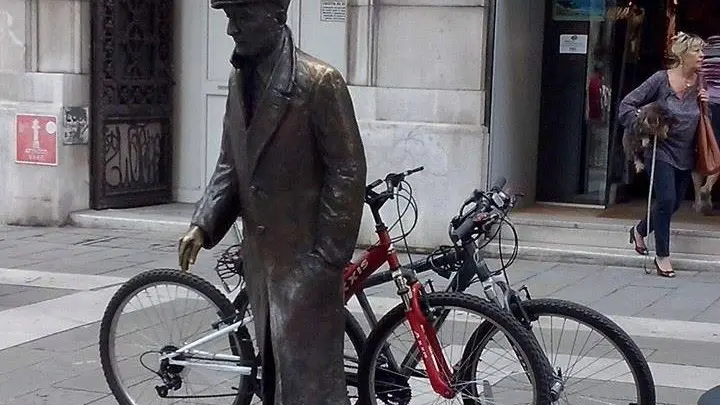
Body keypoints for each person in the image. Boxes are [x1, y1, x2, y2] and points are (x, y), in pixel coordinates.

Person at [177, 1, 368, 404]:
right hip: (263, 261)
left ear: (277, 17)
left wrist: (327, 257)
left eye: (242, 17)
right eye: (229, 17)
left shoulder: (319, 82)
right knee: (278, 376)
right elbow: (232, 162)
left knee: (312, 381)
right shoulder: (238, 80)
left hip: (307, 263)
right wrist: (204, 222)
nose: (231, 29)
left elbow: (347, 170)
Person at [620, 32, 709, 277]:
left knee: (673, 203)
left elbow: (705, 122)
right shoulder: (661, 79)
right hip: (660, 150)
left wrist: (706, 104)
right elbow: (626, 106)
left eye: (703, 51)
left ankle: (639, 230)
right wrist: (646, 125)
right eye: (697, 51)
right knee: (667, 199)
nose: (702, 56)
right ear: (683, 55)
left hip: (686, 153)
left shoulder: (701, 83)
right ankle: (662, 256)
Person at [692, 34, 720, 214]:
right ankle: (708, 186)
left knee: (700, 149)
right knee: (718, 152)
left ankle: (697, 199)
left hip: (705, 104)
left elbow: (697, 80)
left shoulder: (703, 53)